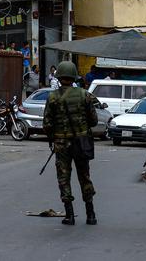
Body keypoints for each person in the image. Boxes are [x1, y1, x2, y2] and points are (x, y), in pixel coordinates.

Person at [43, 61, 99, 226]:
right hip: (81, 142)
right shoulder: (84, 95)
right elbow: (94, 121)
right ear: (74, 76)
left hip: (61, 144)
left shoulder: (52, 97)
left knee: (63, 178)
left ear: (59, 77)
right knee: (84, 176)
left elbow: (47, 125)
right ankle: (91, 214)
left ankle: (70, 215)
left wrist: (54, 138)